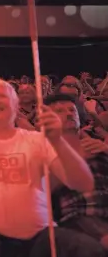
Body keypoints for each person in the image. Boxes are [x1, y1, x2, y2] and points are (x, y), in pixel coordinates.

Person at [0, 12, 104, 257]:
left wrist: (57, 141)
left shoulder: (36, 140)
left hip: (40, 234)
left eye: (1, 95)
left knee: (88, 249)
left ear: (15, 106)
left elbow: (83, 182)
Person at [46, 93, 108, 250]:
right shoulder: (43, 149)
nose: (68, 113)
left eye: (72, 110)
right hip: (79, 216)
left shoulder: (96, 142)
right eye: (60, 111)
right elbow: (40, 191)